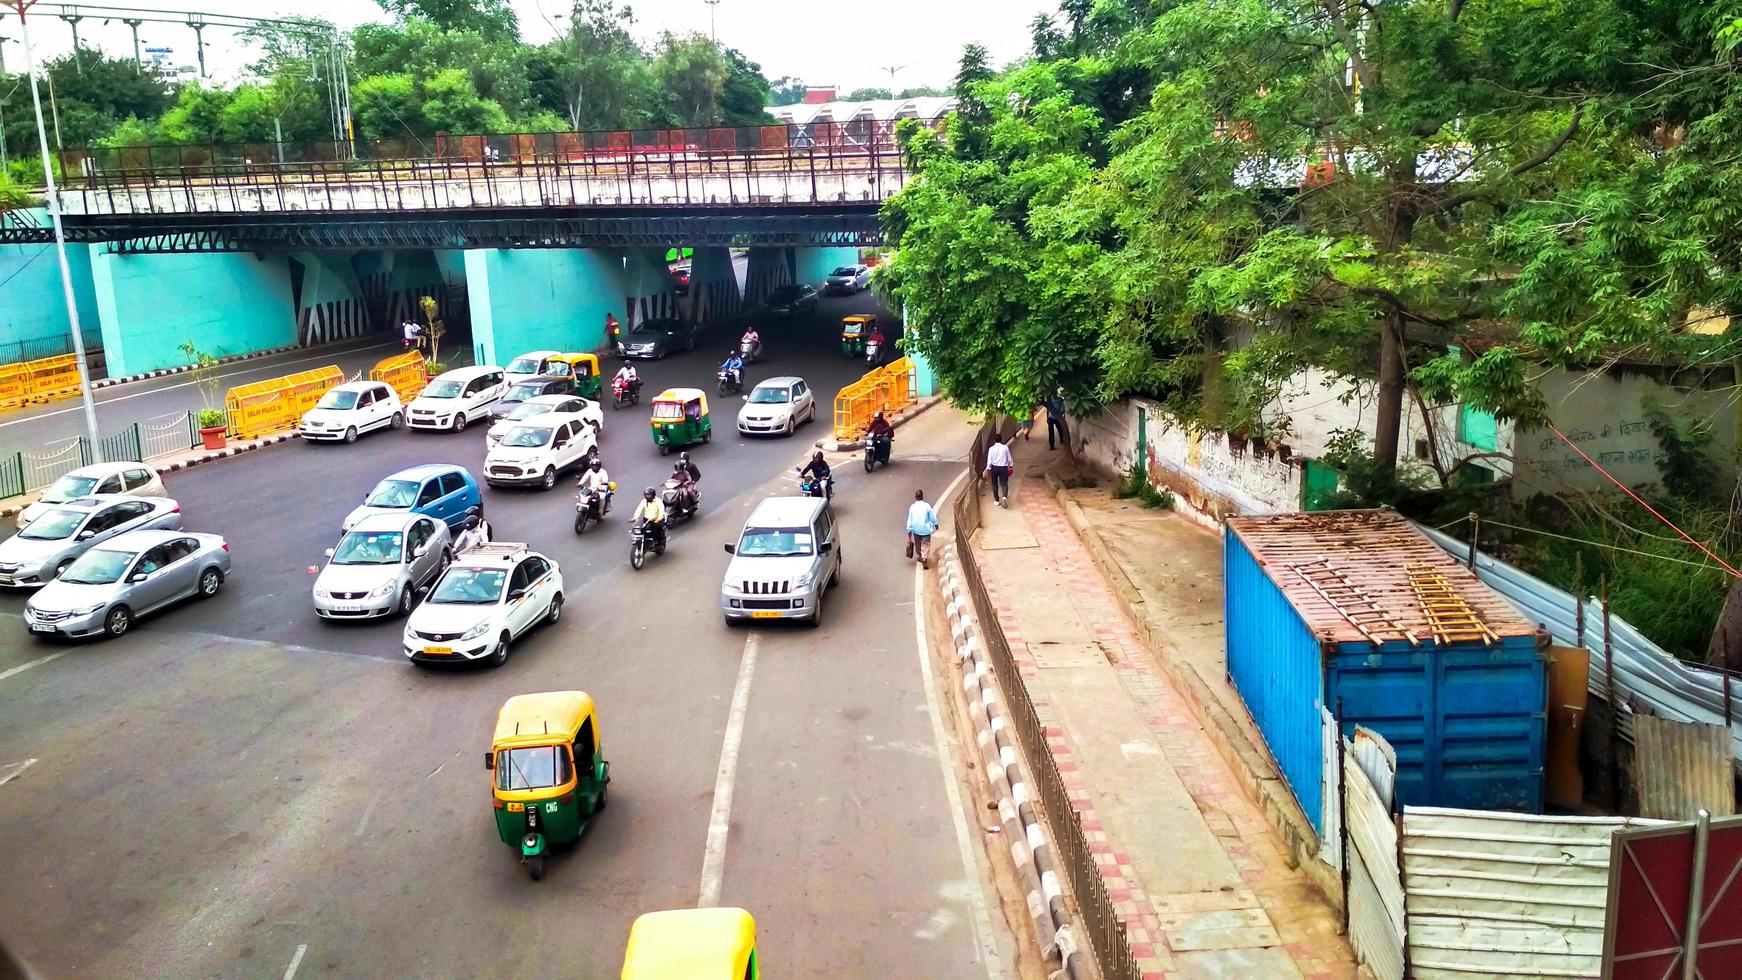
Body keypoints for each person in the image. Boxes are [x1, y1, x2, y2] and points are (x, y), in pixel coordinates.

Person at [906, 488, 939, 568]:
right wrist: (936, 523)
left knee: (918, 544)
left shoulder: (912, 507)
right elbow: (932, 516)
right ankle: (924, 558)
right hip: (925, 530)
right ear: (922, 497)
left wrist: (909, 529)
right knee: (926, 544)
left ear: (915, 497)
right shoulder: (927, 506)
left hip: (916, 530)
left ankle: (920, 556)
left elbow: (910, 519)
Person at [985, 432, 1014, 506]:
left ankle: (997, 500)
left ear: (994, 440)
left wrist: (988, 469)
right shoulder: (1005, 448)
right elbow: (1009, 458)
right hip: (1003, 468)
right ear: (1001, 440)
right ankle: (1004, 497)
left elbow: (989, 461)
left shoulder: (991, 449)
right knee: (1004, 483)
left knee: (994, 484)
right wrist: (1010, 466)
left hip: (994, 468)